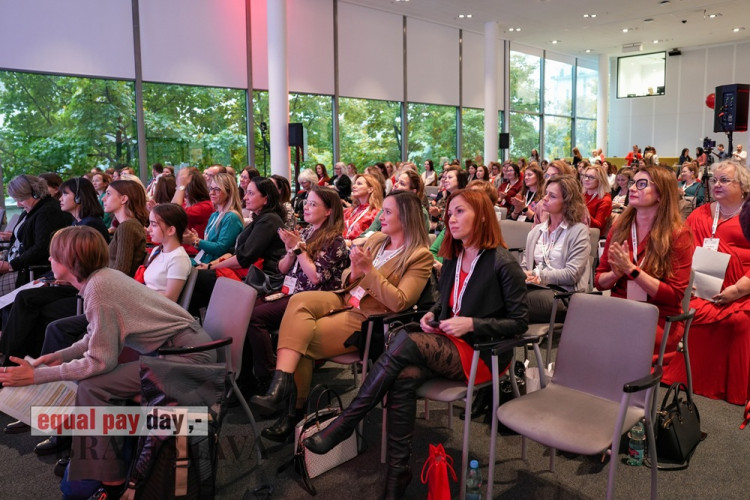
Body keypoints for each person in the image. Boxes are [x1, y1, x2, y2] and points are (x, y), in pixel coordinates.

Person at [300, 189, 528, 498]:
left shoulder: (502, 262)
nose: (451, 218)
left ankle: (346, 422)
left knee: (405, 341)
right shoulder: (452, 256)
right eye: (450, 213)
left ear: (483, 216)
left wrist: (471, 323)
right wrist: (433, 315)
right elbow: (442, 305)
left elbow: (519, 323)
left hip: (482, 352)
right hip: (446, 344)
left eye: (460, 212)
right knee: (403, 378)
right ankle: (398, 475)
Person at [0, 226, 215, 498]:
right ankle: (100, 468)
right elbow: (95, 335)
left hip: (186, 360)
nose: (50, 261)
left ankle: (109, 483)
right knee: (95, 384)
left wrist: (38, 376)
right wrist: (60, 356)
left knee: (95, 386)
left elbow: (100, 361)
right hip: (176, 352)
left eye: (54, 256)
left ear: (71, 261)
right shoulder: (102, 280)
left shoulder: (99, 289)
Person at [250, 191, 434, 446]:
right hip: (345, 299)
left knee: (298, 339)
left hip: (371, 317)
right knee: (298, 301)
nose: (382, 216)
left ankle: (292, 411)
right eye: (383, 210)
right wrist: (355, 271)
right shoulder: (378, 240)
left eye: (388, 212)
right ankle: (280, 382)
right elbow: (348, 274)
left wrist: (368, 272)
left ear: (407, 217)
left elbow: (400, 301)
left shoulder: (419, 255)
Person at [244, 187, 349, 441]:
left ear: (329, 211)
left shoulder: (334, 240)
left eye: (313, 205)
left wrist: (300, 250)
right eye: (306, 203)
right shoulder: (303, 232)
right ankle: (250, 381)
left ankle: (272, 379)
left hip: (316, 299)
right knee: (246, 309)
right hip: (291, 293)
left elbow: (316, 278)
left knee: (255, 318)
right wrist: (291, 251)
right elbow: (282, 269)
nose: (306, 208)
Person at [662, 161, 750, 405]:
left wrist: (738, 290)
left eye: (724, 180)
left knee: (739, 322)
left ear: (743, 186)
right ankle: (684, 375)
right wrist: (686, 282)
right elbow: (681, 250)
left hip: (742, 290)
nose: (717, 184)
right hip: (699, 287)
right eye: (714, 180)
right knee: (677, 308)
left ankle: (729, 386)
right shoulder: (701, 213)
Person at [595, 166, 694, 356]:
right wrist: (615, 274)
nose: (632, 188)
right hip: (620, 309)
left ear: (661, 193)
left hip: (657, 315)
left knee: (614, 345)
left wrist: (632, 271)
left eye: (642, 185)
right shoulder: (620, 228)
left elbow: (674, 295)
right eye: (633, 183)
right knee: (585, 338)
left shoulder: (678, 233)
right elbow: (599, 281)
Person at [189, 177, 286, 314]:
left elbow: (243, 258)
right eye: (246, 192)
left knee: (194, 277)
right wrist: (210, 266)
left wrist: (211, 266)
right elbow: (233, 251)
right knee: (195, 291)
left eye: (251, 193)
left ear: (266, 198)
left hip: (260, 279)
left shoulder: (268, 220)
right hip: (247, 273)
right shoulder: (259, 219)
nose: (245, 197)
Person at [522, 175, 591, 322]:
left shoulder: (578, 231)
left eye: (552, 196)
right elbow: (524, 266)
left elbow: (572, 275)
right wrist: (524, 275)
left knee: (511, 302)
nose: (545, 198)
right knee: (497, 294)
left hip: (563, 296)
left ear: (567, 202)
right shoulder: (536, 231)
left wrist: (539, 275)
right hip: (534, 289)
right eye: (546, 193)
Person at [0, 175, 73, 296]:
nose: (18, 204)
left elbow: (42, 247)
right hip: (17, 265)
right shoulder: (32, 209)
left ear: (35, 194)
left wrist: (10, 265)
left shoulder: (48, 211)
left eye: (21, 199)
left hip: (27, 271)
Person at [185, 172, 244, 265]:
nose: (212, 192)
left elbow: (220, 249)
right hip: (203, 260)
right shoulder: (215, 215)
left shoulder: (231, 217)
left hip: (214, 266)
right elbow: (208, 247)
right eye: (211, 188)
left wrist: (196, 241)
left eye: (217, 189)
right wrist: (195, 241)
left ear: (229, 192)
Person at [142, 203, 192, 301]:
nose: (148, 229)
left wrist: (139, 294)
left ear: (171, 230)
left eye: (154, 225)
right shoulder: (158, 250)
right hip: (146, 302)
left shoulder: (178, 259)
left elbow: (170, 299)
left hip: (157, 310)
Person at [103, 180, 149, 277]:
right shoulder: (129, 225)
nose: (103, 199)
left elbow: (121, 272)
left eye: (108, 194)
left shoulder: (127, 227)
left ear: (123, 199)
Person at [171, 167, 215, 256]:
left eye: (181, 187)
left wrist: (181, 186)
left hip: (193, 253)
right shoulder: (188, 205)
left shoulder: (205, 207)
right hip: (182, 250)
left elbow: (173, 213)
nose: (177, 189)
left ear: (190, 188)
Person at [343, 174, 383, 241]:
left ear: (370, 189)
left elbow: (372, 238)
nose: (354, 186)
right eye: (355, 183)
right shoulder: (349, 211)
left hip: (358, 248)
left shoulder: (376, 213)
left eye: (359, 184)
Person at [581, 163, 613, 232]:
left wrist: (584, 213)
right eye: (585, 176)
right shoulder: (581, 196)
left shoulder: (605, 200)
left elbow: (599, 226)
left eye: (591, 177)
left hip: (590, 235)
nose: (586, 179)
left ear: (600, 180)